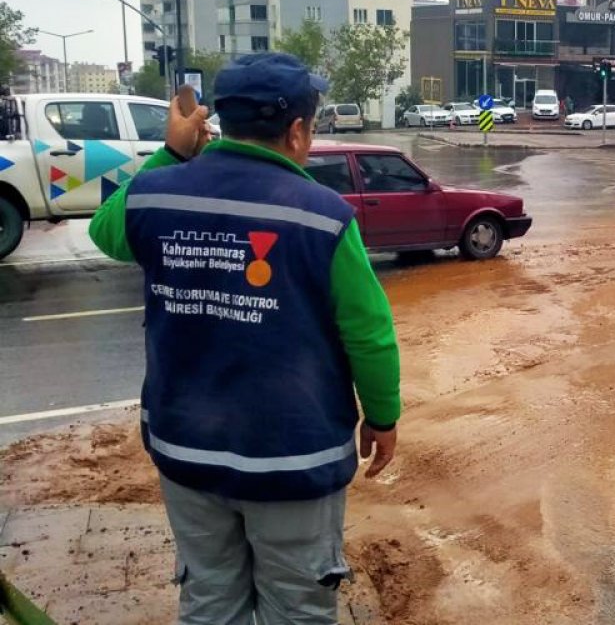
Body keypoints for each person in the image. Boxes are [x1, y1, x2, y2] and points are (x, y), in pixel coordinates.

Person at [89, 52, 401, 624]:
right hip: (293, 458)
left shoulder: (156, 194)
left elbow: (105, 231)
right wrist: (382, 416)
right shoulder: (324, 215)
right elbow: (369, 333)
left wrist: (172, 152)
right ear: (297, 130)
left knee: (210, 600)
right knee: (298, 607)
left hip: (186, 449)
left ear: (222, 122)